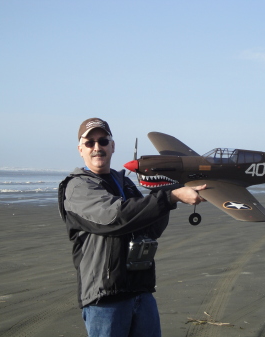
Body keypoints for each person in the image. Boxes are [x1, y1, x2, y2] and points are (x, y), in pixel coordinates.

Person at [58, 117, 206, 337]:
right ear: (81, 149)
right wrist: (170, 197)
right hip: (105, 299)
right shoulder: (78, 186)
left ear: (113, 146)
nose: (97, 147)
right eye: (90, 143)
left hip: (141, 292)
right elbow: (115, 217)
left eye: (103, 141)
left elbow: (152, 229)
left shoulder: (124, 183)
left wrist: (170, 187)